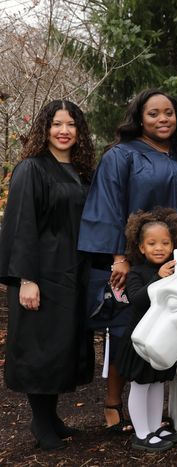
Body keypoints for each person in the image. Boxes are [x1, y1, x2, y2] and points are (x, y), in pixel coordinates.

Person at [78, 89, 177, 434]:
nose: (162, 119)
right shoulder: (121, 156)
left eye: (169, 113)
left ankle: (166, 410)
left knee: (174, 328)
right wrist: (119, 257)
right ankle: (113, 402)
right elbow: (108, 205)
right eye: (154, 113)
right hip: (136, 262)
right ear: (139, 118)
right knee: (125, 331)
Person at [0, 100, 96, 450]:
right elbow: (21, 224)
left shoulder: (82, 171)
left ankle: (53, 418)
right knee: (40, 346)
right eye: (57, 124)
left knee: (60, 346)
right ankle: (41, 425)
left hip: (72, 273)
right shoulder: (32, 168)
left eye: (71, 124)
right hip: (41, 272)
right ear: (45, 128)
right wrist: (26, 278)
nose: (64, 131)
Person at [115, 207, 177, 452]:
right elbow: (137, 299)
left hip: (162, 338)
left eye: (165, 243)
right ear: (141, 247)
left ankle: (155, 427)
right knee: (141, 384)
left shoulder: (174, 268)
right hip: (141, 339)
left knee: (158, 383)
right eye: (152, 243)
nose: (159, 248)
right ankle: (141, 433)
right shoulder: (137, 272)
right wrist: (158, 277)